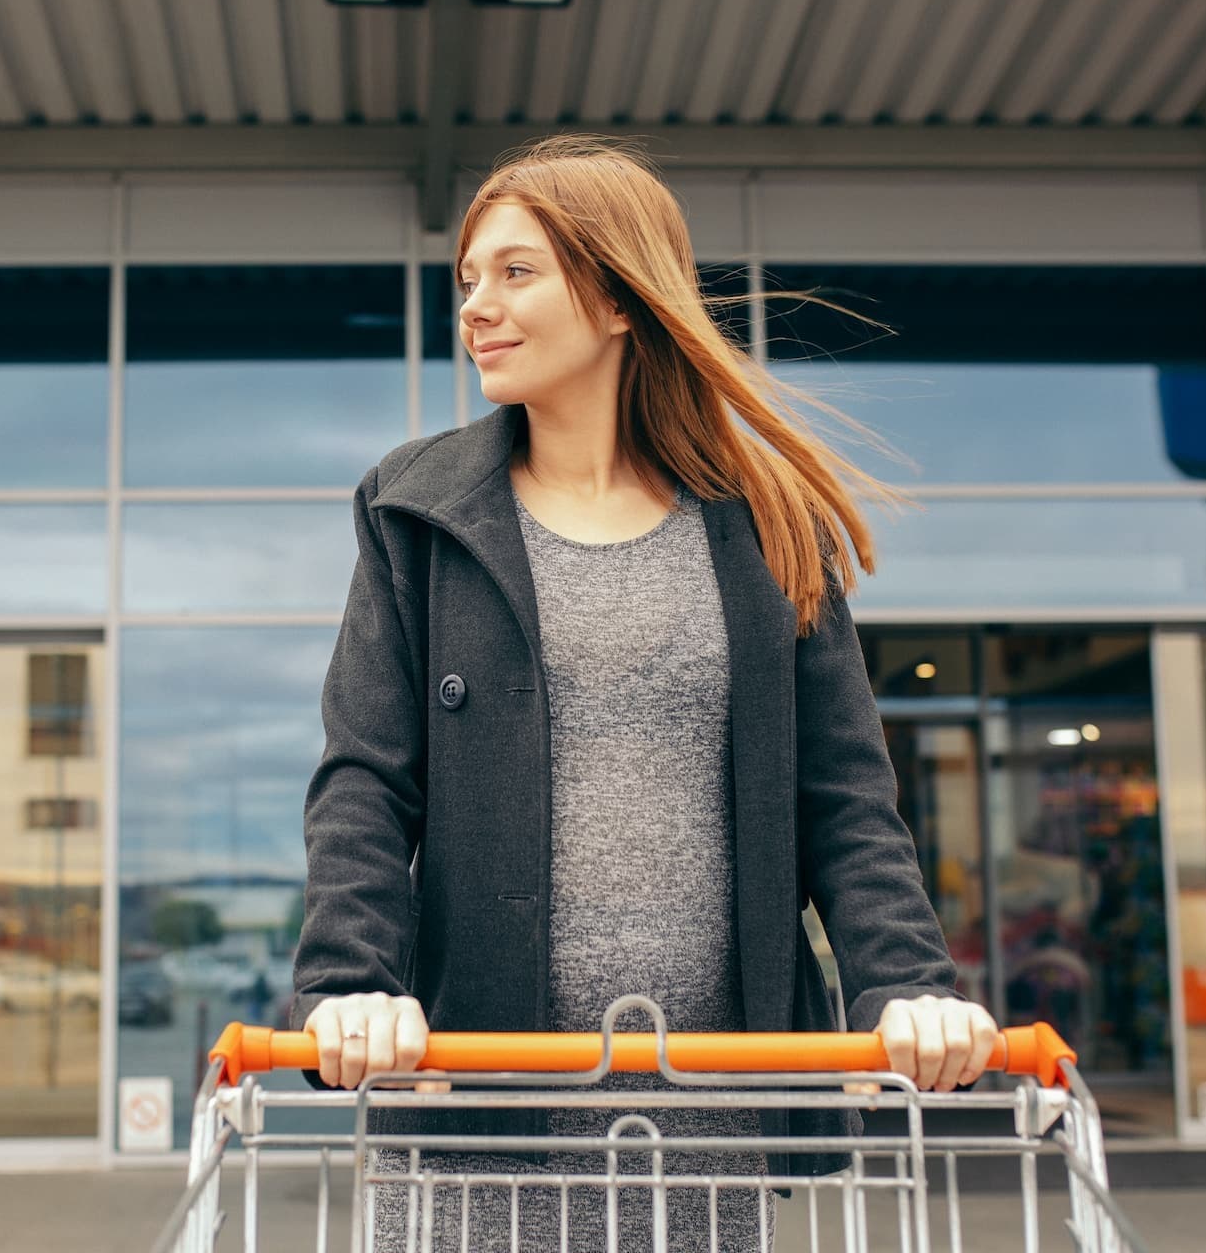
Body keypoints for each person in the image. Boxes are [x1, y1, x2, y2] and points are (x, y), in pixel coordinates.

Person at [288, 135, 1001, 1251]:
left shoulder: (765, 527)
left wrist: (905, 985)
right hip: (477, 1110)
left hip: (704, 1111)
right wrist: (349, 985)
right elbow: (364, 785)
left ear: (620, 296)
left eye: (516, 272)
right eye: (468, 278)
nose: (477, 304)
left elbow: (846, 802)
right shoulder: (414, 513)